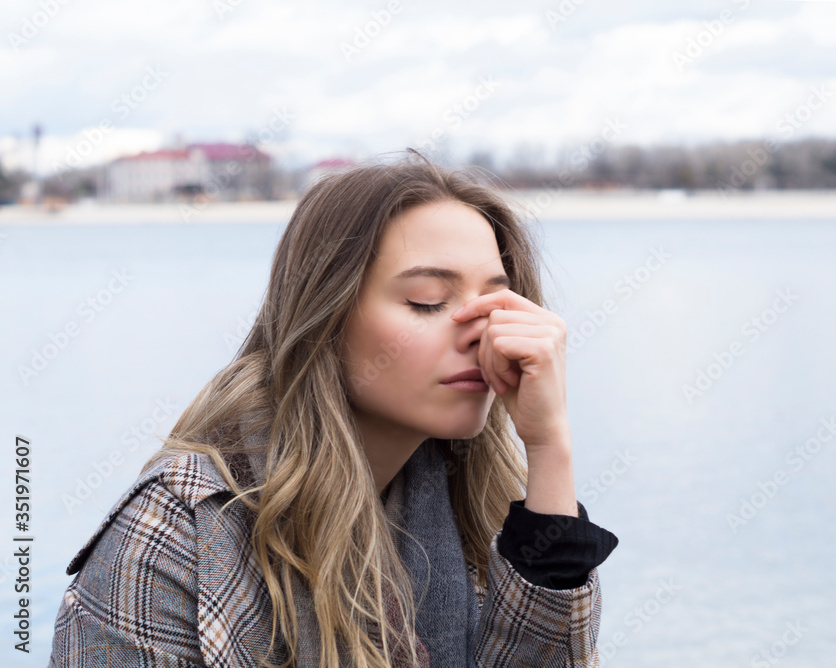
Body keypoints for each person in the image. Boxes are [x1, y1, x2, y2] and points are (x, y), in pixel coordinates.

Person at [48, 153, 618, 668]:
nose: (483, 333)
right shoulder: (178, 538)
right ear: (326, 316)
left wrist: (548, 446)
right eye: (428, 300)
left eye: (497, 300)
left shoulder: (481, 506)